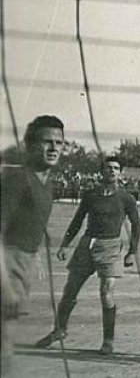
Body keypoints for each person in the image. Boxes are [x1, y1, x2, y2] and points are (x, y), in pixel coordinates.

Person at [35, 155, 140, 355]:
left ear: (120, 173)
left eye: (116, 168)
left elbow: (136, 225)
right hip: (86, 244)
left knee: (106, 292)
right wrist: (65, 244)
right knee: (70, 289)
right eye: (108, 167)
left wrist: (132, 252)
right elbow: (77, 220)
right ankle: (59, 330)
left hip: (110, 247)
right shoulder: (91, 195)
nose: (112, 171)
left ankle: (108, 341)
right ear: (101, 171)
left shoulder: (126, 198)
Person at [1, 115, 64, 364]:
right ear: (29, 145)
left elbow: (30, 221)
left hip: (22, 261)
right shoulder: (17, 179)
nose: (53, 148)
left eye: (59, 143)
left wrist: (33, 255)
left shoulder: (45, 182)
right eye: (46, 141)